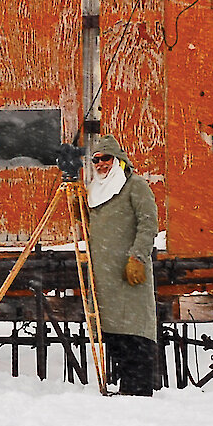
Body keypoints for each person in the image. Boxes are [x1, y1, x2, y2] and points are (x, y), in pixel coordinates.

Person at [85, 135, 160, 396]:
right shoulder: (94, 190)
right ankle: (127, 385)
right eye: (96, 159)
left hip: (129, 271)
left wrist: (138, 256)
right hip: (105, 275)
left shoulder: (135, 186)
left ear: (118, 160)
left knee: (135, 330)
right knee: (114, 332)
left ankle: (139, 387)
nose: (101, 164)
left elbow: (148, 223)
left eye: (106, 158)